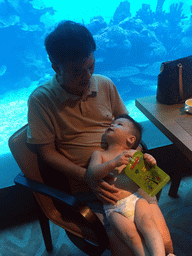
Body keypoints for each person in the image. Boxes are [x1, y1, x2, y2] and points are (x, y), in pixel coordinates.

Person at [27, 20, 174, 255]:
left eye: (91, 67)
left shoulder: (105, 84)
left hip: (131, 177)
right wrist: (90, 178)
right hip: (92, 187)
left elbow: (128, 126)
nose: (87, 77)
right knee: (130, 249)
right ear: (56, 68)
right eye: (77, 72)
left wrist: (140, 158)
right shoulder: (41, 101)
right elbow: (47, 154)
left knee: (164, 245)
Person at [86, 114, 176, 256]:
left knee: (149, 226)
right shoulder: (100, 155)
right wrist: (113, 163)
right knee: (131, 237)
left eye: (119, 124)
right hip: (113, 209)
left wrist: (150, 161)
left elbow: (148, 175)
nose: (112, 125)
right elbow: (91, 173)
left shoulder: (134, 154)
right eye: (113, 123)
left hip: (136, 200)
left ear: (131, 139)